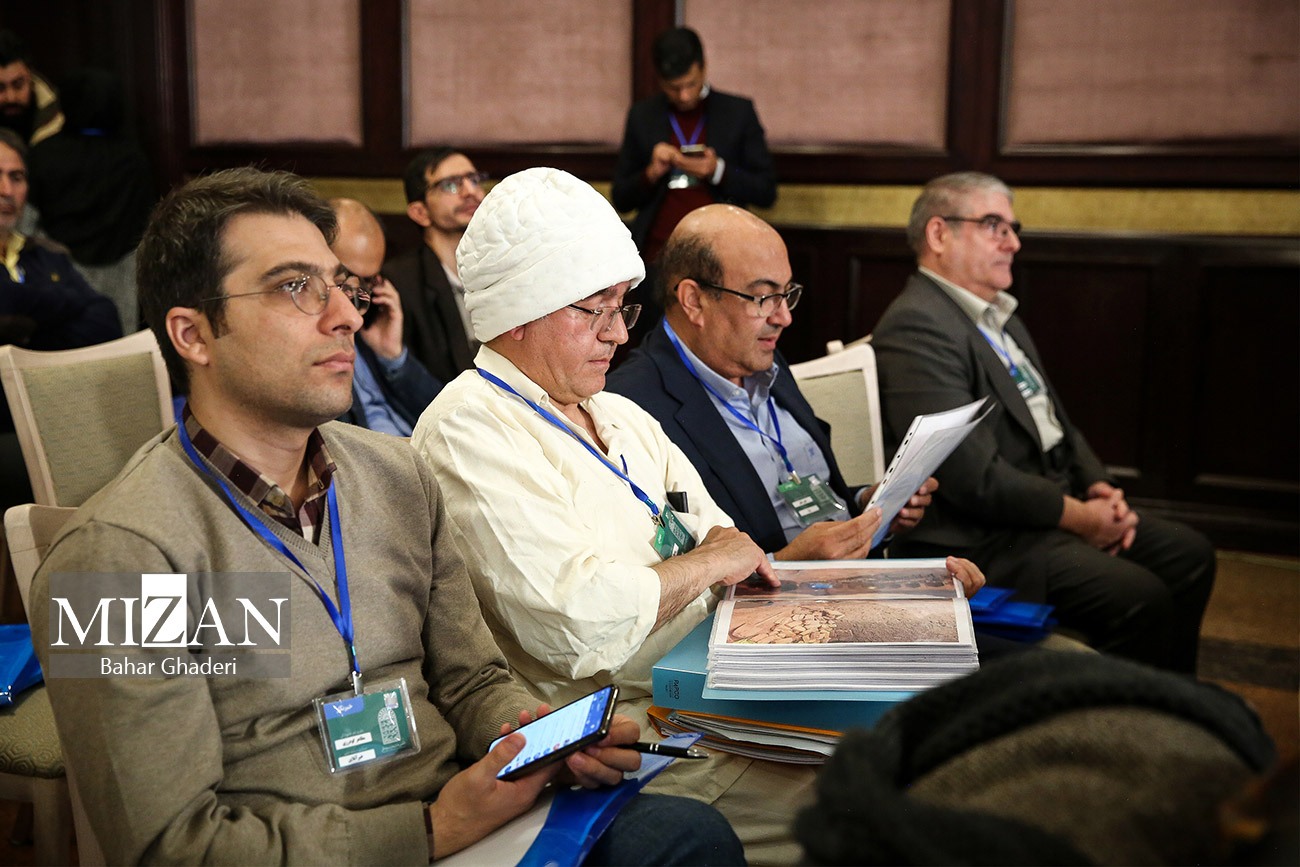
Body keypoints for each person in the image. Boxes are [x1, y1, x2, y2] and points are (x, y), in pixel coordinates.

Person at [28, 167, 743, 865]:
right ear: (193, 335)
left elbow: (470, 683)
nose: (346, 315)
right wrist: (431, 829)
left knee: (686, 834)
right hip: (360, 843)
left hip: (474, 812)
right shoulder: (114, 560)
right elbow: (169, 844)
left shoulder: (394, 477)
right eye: (294, 288)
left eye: (340, 285)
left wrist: (543, 740)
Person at [413, 167, 829, 864]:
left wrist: (709, 560)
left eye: (621, 309)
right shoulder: (468, 428)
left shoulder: (620, 414)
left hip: (713, 692)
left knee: (904, 742)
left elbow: (727, 537)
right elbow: (581, 624)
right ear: (519, 313)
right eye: (592, 311)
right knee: (862, 803)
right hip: (621, 740)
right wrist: (706, 563)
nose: (616, 335)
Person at [870, 171, 1215, 673]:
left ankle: (1178, 709)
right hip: (991, 537)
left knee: (1190, 554)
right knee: (1140, 597)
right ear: (939, 234)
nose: (1013, 242)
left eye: (1013, 228)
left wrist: (1099, 487)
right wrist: (1081, 518)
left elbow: (1057, 423)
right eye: (994, 226)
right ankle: (1126, 718)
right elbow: (973, 478)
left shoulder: (999, 317)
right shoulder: (917, 324)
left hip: (1045, 507)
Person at [607, 204, 965, 570]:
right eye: (764, 298)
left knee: (964, 580)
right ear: (694, 301)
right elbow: (659, 577)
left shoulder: (763, 360)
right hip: (768, 602)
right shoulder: (630, 405)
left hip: (853, 579)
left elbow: (806, 495)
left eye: (786, 293)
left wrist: (865, 506)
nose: (784, 317)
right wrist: (786, 564)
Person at [0, 127, 122, 511]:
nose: (6, 190)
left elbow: (106, 320)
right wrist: (62, 311)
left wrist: (25, 326)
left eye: (16, 177)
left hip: (59, 417)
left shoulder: (47, 254)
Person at [612, 26, 776, 268]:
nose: (684, 96)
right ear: (659, 80)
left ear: (703, 67)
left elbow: (766, 191)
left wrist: (717, 170)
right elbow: (621, 198)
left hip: (723, 251)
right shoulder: (643, 116)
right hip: (658, 251)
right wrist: (651, 173)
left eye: (691, 84)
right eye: (673, 88)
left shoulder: (737, 112)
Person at [27, 67, 155, 332]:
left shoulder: (43, 155)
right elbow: (146, 225)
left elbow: (27, 223)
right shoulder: (133, 159)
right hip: (121, 277)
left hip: (56, 277)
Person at [328, 197, 442, 434]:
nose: (357, 296)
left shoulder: (376, 321)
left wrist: (394, 356)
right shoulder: (312, 336)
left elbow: (445, 415)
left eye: (368, 281)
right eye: (345, 279)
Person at [384, 147, 485, 383]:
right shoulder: (400, 282)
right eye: (451, 185)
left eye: (473, 179)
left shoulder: (505, 264)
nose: (470, 191)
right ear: (420, 212)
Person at [0, 30, 62, 147]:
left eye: (18, 85)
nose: (11, 97)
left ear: (31, 79)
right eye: (0, 88)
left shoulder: (59, 121)